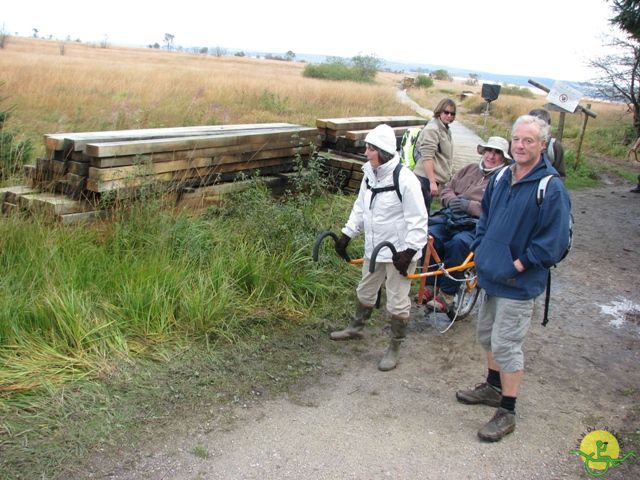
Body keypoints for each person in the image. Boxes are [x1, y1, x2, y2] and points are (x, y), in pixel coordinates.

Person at [455, 115, 571, 442]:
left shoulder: (551, 189)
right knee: (487, 335)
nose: (520, 145)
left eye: (529, 140)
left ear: (542, 145)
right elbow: (486, 218)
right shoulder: (503, 176)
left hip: (519, 284)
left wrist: (518, 265)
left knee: (506, 344)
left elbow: (554, 243)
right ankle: (493, 387)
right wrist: (480, 250)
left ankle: (508, 410)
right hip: (492, 275)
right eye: (516, 139)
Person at [330, 124, 429, 372]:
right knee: (365, 291)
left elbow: (419, 220)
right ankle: (356, 327)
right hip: (374, 248)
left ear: (382, 151)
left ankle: (395, 347)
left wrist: (409, 252)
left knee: (397, 301)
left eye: (370, 148)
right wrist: (347, 234)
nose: (366, 152)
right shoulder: (369, 174)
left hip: (399, 254)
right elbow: (361, 208)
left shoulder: (405, 179)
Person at [421, 136, 511, 312]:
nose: (491, 156)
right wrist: (451, 200)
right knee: (429, 236)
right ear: (483, 152)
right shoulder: (469, 169)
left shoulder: (504, 179)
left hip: (476, 223)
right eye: (489, 151)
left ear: (503, 158)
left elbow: (500, 209)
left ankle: (447, 294)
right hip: (451, 216)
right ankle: (430, 286)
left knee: (459, 243)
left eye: (497, 153)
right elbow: (447, 187)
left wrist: (470, 206)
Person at [413, 98, 456, 212]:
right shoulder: (433, 129)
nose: (449, 116)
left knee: (423, 213)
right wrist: (432, 182)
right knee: (420, 214)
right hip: (424, 179)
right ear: (439, 111)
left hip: (432, 178)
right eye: (446, 112)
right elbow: (427, 157)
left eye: (452, 113)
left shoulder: (445, 129)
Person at [528, 108, 566, 180]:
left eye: (541, 126)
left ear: (548, 126)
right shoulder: (518, 143)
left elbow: (560, 174)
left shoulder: (554, 146)